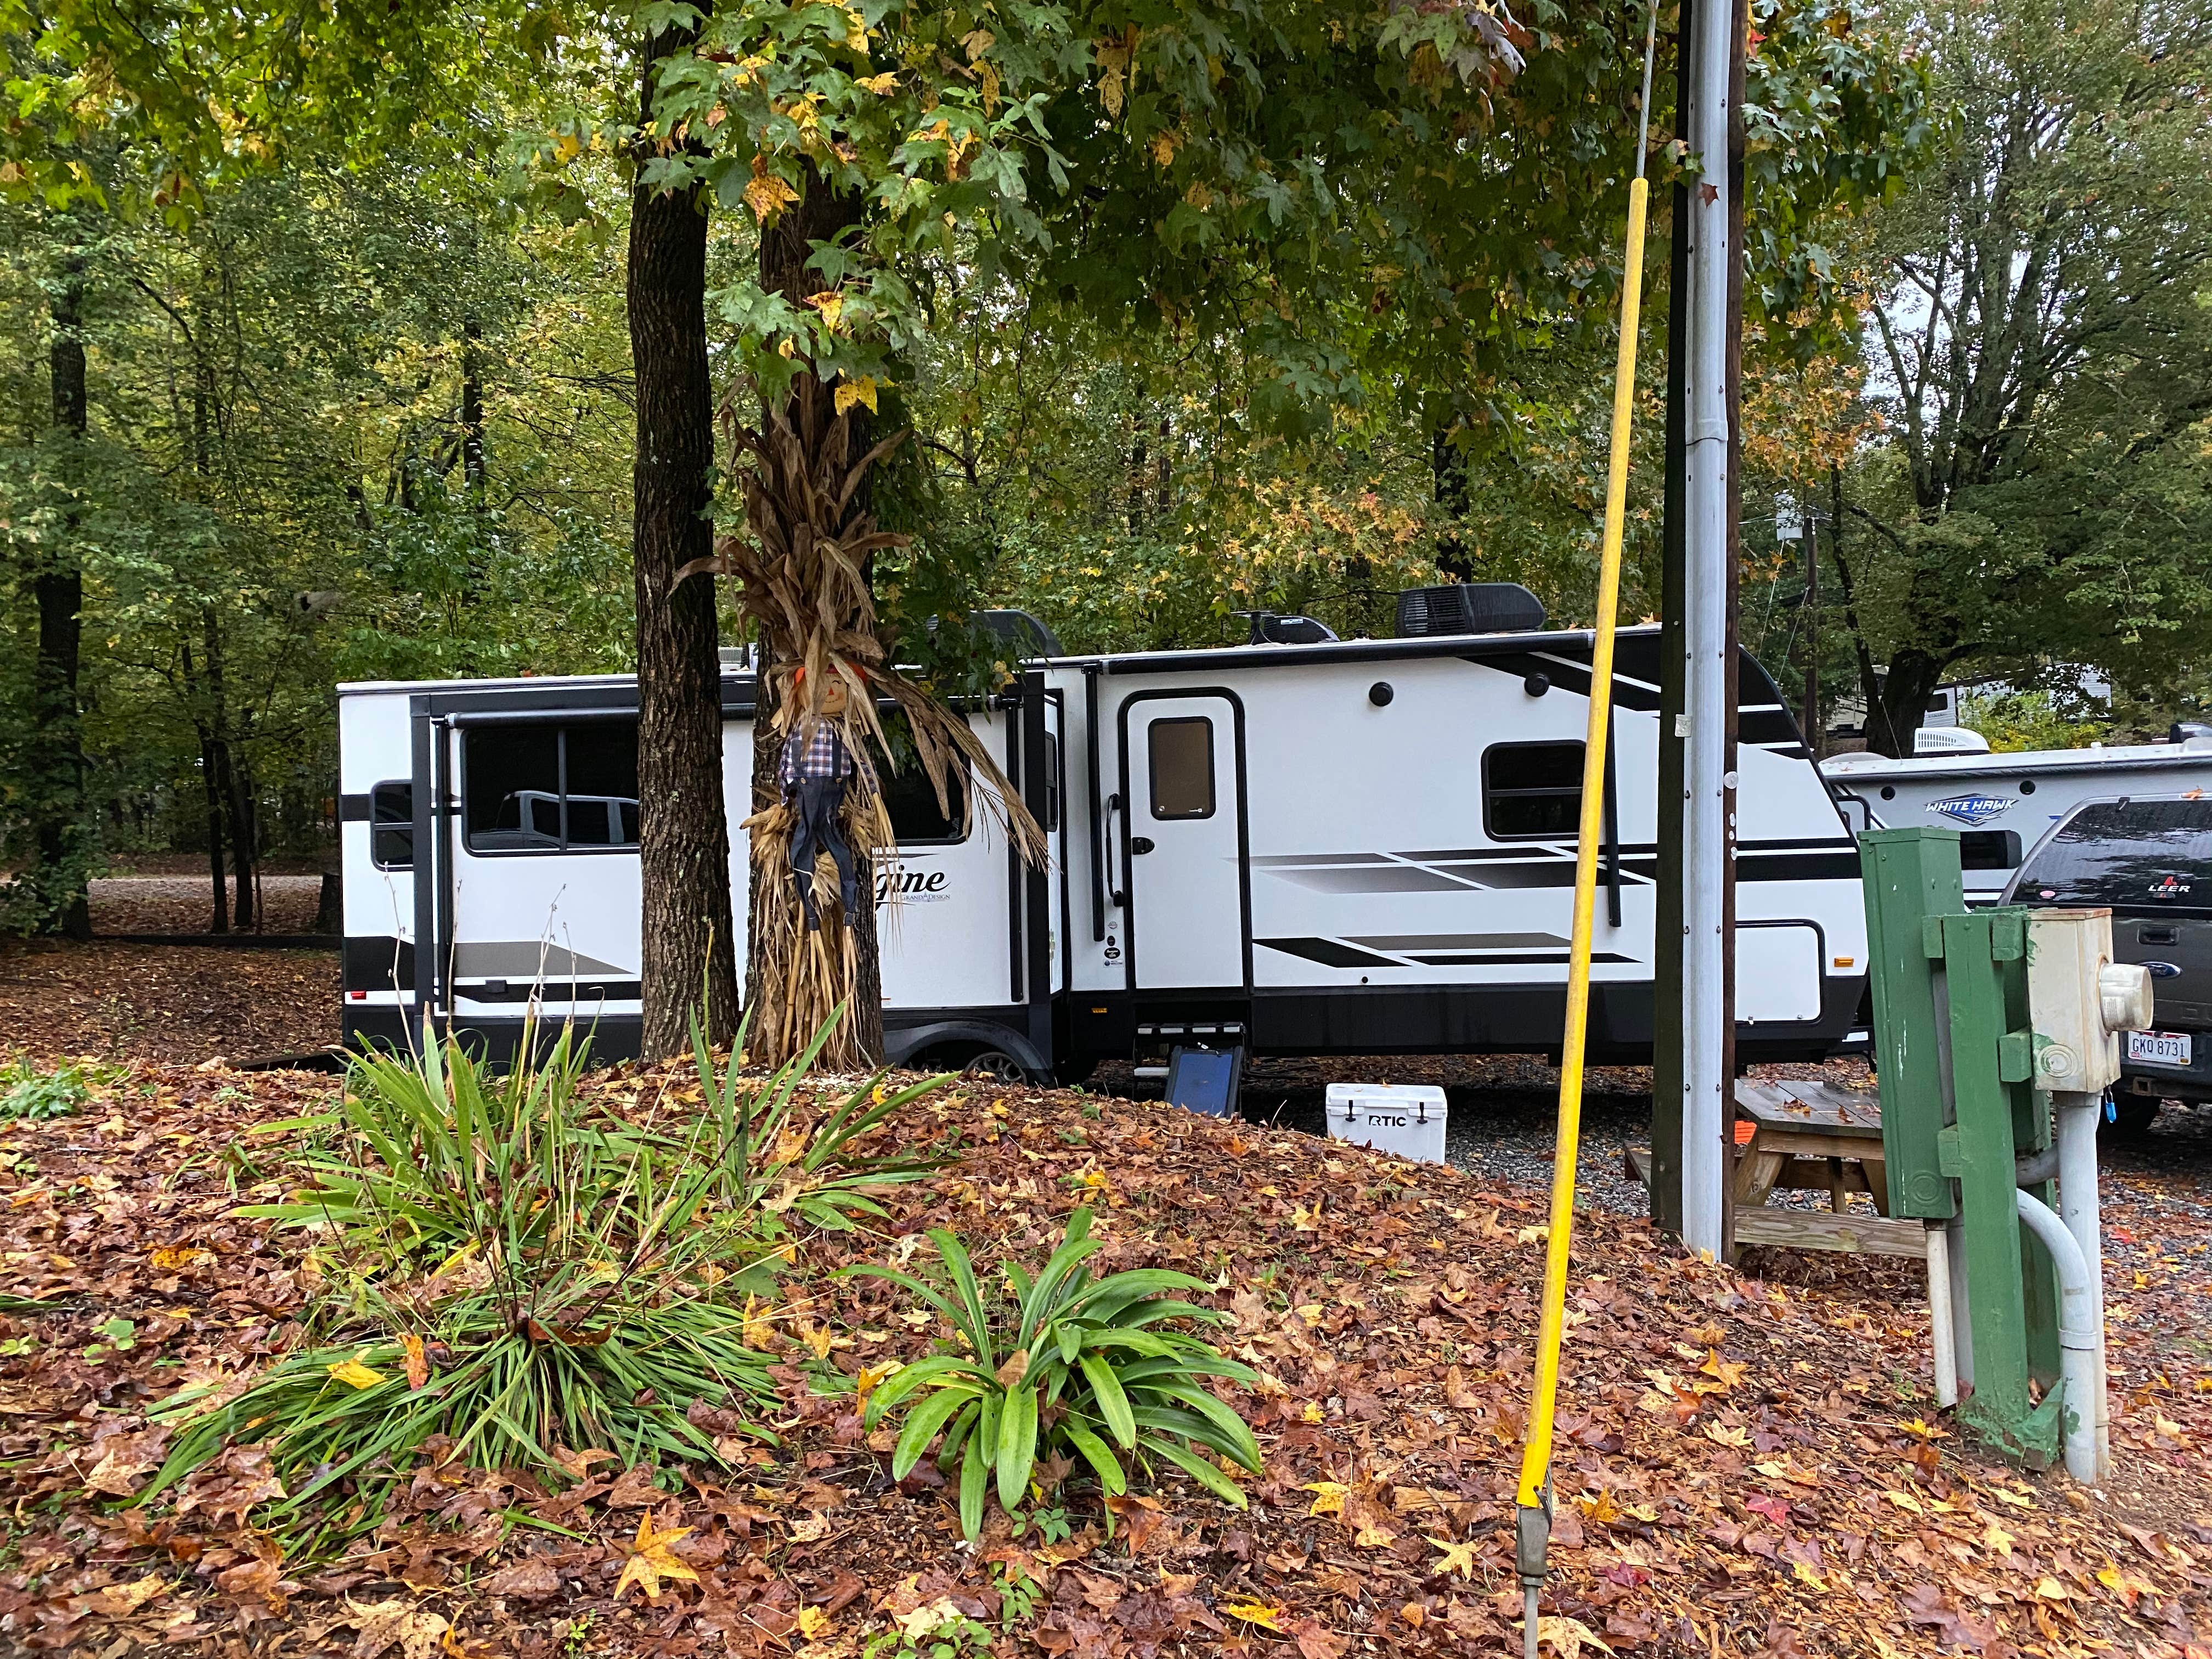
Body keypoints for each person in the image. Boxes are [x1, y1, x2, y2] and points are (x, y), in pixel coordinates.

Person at [779, 670, 862, 930]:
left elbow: (862, 764)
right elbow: (787, 762)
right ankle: (812, 913)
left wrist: (786, 794)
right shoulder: (801, 729)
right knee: (810, 846)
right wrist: (787, 794)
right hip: (811, 793)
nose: (830, 692)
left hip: (829, 795)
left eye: (837, 684)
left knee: (824, 845)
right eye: (821, 685)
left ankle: (846, 909)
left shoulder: (842, 731)